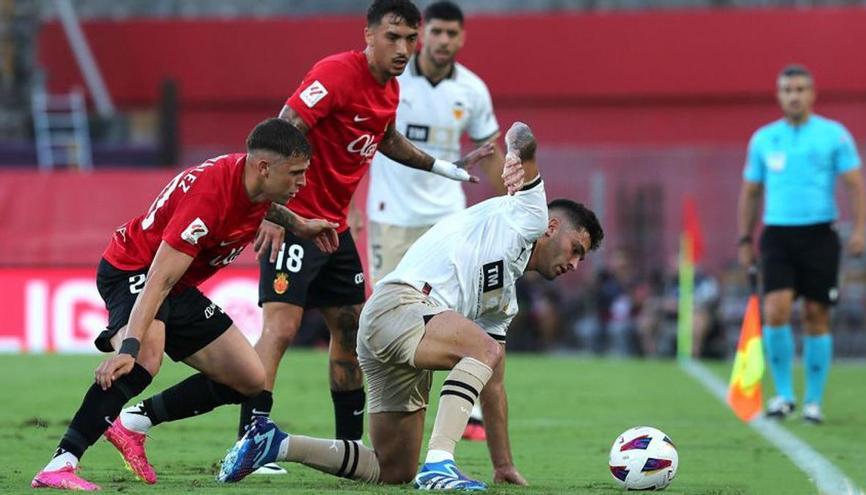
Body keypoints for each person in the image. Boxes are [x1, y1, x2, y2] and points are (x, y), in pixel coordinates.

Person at [217, 121, 605, 490]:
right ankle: (440, 464)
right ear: (552, 228)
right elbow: (523, 133)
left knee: (393, 468)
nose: (573, 263)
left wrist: (502, 464)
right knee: (482, 350)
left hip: (400, 328)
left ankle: (274, 444)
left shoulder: (503, 300)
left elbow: (494, 382)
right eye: (576, 249)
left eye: (581, 260)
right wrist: (515, 154)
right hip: (400, 305)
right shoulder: (530, 214)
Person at [234, 0, 495, 476]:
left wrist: (442, 167)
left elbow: (388, 139)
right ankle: (251, 439)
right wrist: (271, 209)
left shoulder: (390, 90)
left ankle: (347, 449)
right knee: (281, 330)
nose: (404, 48)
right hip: (296, 219)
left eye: (409, 39)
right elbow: (284, 126)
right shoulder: (335, 73)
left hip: (333, 229)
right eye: (393, 37)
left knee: (352, 330)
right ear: (369, 35)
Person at [30, 118, 340, 490]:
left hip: (176, 286)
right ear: (264, 167)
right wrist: (128, 346)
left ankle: (135, 422)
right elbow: (157, 280)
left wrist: (300, 225)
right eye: (296, 173)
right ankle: (61, 463)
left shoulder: (254, 182)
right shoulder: (207, 201)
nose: (303, 182)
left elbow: (263, 205)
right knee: (144, 358)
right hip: (135, 269)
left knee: (250, 379)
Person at [366, 0, 505, 442]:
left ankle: (466, 410)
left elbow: (491, 154)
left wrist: (509, 208)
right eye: (437, 32)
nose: (444, 41)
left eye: (452, 34)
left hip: (448, 218)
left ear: (462, 38)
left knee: (455, 312)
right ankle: (394, 409)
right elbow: (364, 142)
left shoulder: (473, 90)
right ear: (424, 36)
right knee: (387, 315)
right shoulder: (395, 79)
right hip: (391, 214)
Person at [737, 64, 866, 424]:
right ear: (779, 95)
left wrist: (857, 230)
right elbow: (751, 191)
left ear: (812, 94)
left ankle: (813, 401)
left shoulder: (834, 135)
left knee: (816, 315)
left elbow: (855, 184)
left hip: (820, 235)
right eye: (787, 89)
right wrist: (745, 236)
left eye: (800, 89)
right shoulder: (763, 139)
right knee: (775, 309)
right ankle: (783, 396)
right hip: (777, 234)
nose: (794, 95)